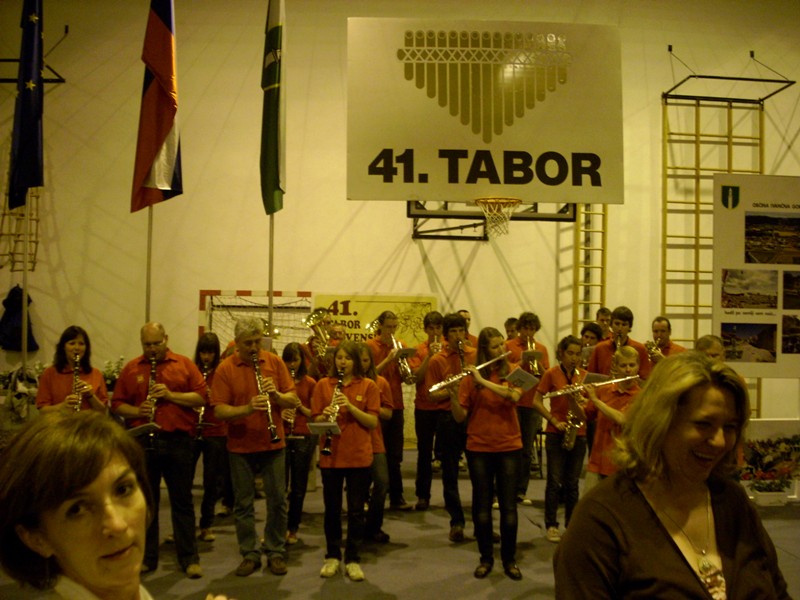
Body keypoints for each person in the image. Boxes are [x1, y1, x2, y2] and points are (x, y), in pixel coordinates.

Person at [554, 352, 790, 599]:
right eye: (703, 424)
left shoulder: (733, 501)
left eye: (730, 427)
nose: (720, 441)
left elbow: (778, 590)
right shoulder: (600, 519)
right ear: (660, 422)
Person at [111, 322, 205, 578]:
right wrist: (137, 411)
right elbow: (117, 404)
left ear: (166, 339)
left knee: (182, 502)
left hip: (178, 442)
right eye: (147, 345)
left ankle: (189, 558)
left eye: (156, 343)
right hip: (143, 442)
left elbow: (201, 397)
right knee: (146, 503)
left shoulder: (184, 364)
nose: (152, 349)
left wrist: (171, 395)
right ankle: (147, 557)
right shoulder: (132, 368)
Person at [210, 317, 299, 577]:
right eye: (248, 343)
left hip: (273, 443)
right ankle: (249, 553)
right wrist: (248, 408)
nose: (254, 348)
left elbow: (292, 399)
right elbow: (219, 410)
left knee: (278, 500)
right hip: (240, 446)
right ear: (237, 343)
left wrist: (276, 396)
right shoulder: (226, 368)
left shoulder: (274, 362)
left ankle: (275, 550)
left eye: (257, 342)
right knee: (243, 504)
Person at [452, 327, 523, 581]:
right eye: (495, 346)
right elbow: (460, 416)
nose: (501, 349)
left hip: (509, 446)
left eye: (502, 344)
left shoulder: (514, 371)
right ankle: (485, 558)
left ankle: (509, 559)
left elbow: (513, 396)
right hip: (479, 447)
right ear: (484, 350)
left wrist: (482, 382)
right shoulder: (470, 378)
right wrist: (453, 395)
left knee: (508, 507)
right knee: (481, 508)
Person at [312, 341, 380, 582]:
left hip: (358, 456)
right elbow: (316, 420)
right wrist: (324, 416)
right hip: (331, 456)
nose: (342, 362)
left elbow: (372, 422)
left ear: (356, 361)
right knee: (332, 509)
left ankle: (352, 558)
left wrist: (350, 406)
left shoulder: (369, 385)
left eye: (348, 358)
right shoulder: (323, 385)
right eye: (339, 357)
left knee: (355, 511)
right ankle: (332, 555)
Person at [423, 312, 477, 542]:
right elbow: (431, 395)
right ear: (446, 335)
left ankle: (481, 523)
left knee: (479, 473)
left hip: (473, 418)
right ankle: (456, 521)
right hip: (447, 419)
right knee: (450, 473)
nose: (458, 335)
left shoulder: (475, 355)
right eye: (453, 331)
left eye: (461, 331)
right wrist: (453, 389)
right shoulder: (438, 360)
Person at [532, 335, 587, 543]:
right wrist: (553, 420)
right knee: (554, 481)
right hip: (556, 433)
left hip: (578, 433)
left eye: (578, 354)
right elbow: (537, 401)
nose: (574, 358)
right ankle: (551, 524)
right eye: (570, 353)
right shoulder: (551, 373)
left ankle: (571, 525)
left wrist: (580, 401)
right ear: (561, 354)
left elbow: (588, 407)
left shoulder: (584, 376)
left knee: (572, 483)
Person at [367, 310, 412, 510]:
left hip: (396, 404)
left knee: (395, 455)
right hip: (375, 405)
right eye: (388, 327)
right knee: (374, 453)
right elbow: (368, 375)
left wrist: (405, 368)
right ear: (380, 326)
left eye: (394, 327)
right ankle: (367, 496)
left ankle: (396, 497)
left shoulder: (400, 345)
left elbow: (404, 377)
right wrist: (388, 360)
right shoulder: (370, 346)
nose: (391, 331)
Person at [505, 311, 551, 505]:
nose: (528, 333)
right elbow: (504, 371)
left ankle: (521, 490)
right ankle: (507, 487)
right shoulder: (509, 346)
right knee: (510, 447)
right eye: (525, 328)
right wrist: (521, 362)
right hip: (513, 402)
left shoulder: (541, 348)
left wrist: (538, 365)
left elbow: (547, 376)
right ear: (520, 328)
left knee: (526, 449)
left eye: (532, 329)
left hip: (531, 403)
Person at [582, 346, 641, 491]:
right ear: (615, 367)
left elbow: (622, 419)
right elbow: (585, 416)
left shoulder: (640, 396)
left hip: (621, 465)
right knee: (589, 503)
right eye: (623, 365)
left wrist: (595, 400)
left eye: (632, 365)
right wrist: (571, 400)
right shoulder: (604, 390)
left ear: (638, 366)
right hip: (597, 461)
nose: (628, 370)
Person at [192, 332, 230, 543]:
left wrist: (210, 394)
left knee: (211, 481)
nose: (206, 357)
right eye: (203, 353)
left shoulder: (222, 372)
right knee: (185, 480)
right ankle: (185, 526)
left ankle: (206, 524)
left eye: (210, 353)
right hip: (193, 429)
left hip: (215, 431)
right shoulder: (193, 371)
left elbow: (227, 399)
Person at [281, 342, 317, 545]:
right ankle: (278, 527)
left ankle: (292, 527)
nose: (292, 365)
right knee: (279, 485)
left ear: (302, 361)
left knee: (298, 485)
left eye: (295, 360)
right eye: (288, 361)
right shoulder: (278, 381)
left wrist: (300, 407)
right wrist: (281, 412)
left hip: (303, 435)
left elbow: (316, 413)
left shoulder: (310, 383)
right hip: (283, 434)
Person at [357, 342, 394, 543]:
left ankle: (373, 526)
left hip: (375, 440)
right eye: (359, 360)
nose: (362, 364)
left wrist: (372, 406)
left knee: (382, 483)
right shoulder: (345, 383)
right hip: (354, 442)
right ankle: (357, 526)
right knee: (358, 488)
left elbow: (388, 413)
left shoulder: (381, 382)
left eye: (365, 360)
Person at [408, 310, 444, 511]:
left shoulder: (449, 349)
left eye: (438, 328)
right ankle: (423, 495)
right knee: (424, 453)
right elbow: (417, 378)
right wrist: (429, 356)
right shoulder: (418, 350)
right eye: (431, 328)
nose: (435, 332)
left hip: (445, 406)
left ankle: (451, 497)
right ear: (425, 329)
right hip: (424, 406)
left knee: (448, 455)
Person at [36, 325, 108, 413]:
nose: (77, 348)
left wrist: (90, 395)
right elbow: (42, 410)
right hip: (60, 421)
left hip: (89, 420)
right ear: (63, 347)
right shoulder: (49, 373)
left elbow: (103, 410)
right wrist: (62, 406)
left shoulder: (96, 373)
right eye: (72, 343)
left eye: (81, 344)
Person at [587, 305, 651, 379]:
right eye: (617, 324)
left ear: (629, 327)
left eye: (624, 324)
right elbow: (591, 378)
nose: (620, 328)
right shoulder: (600, 348)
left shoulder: (640, 348)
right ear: (611, 325)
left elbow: (645, 380)